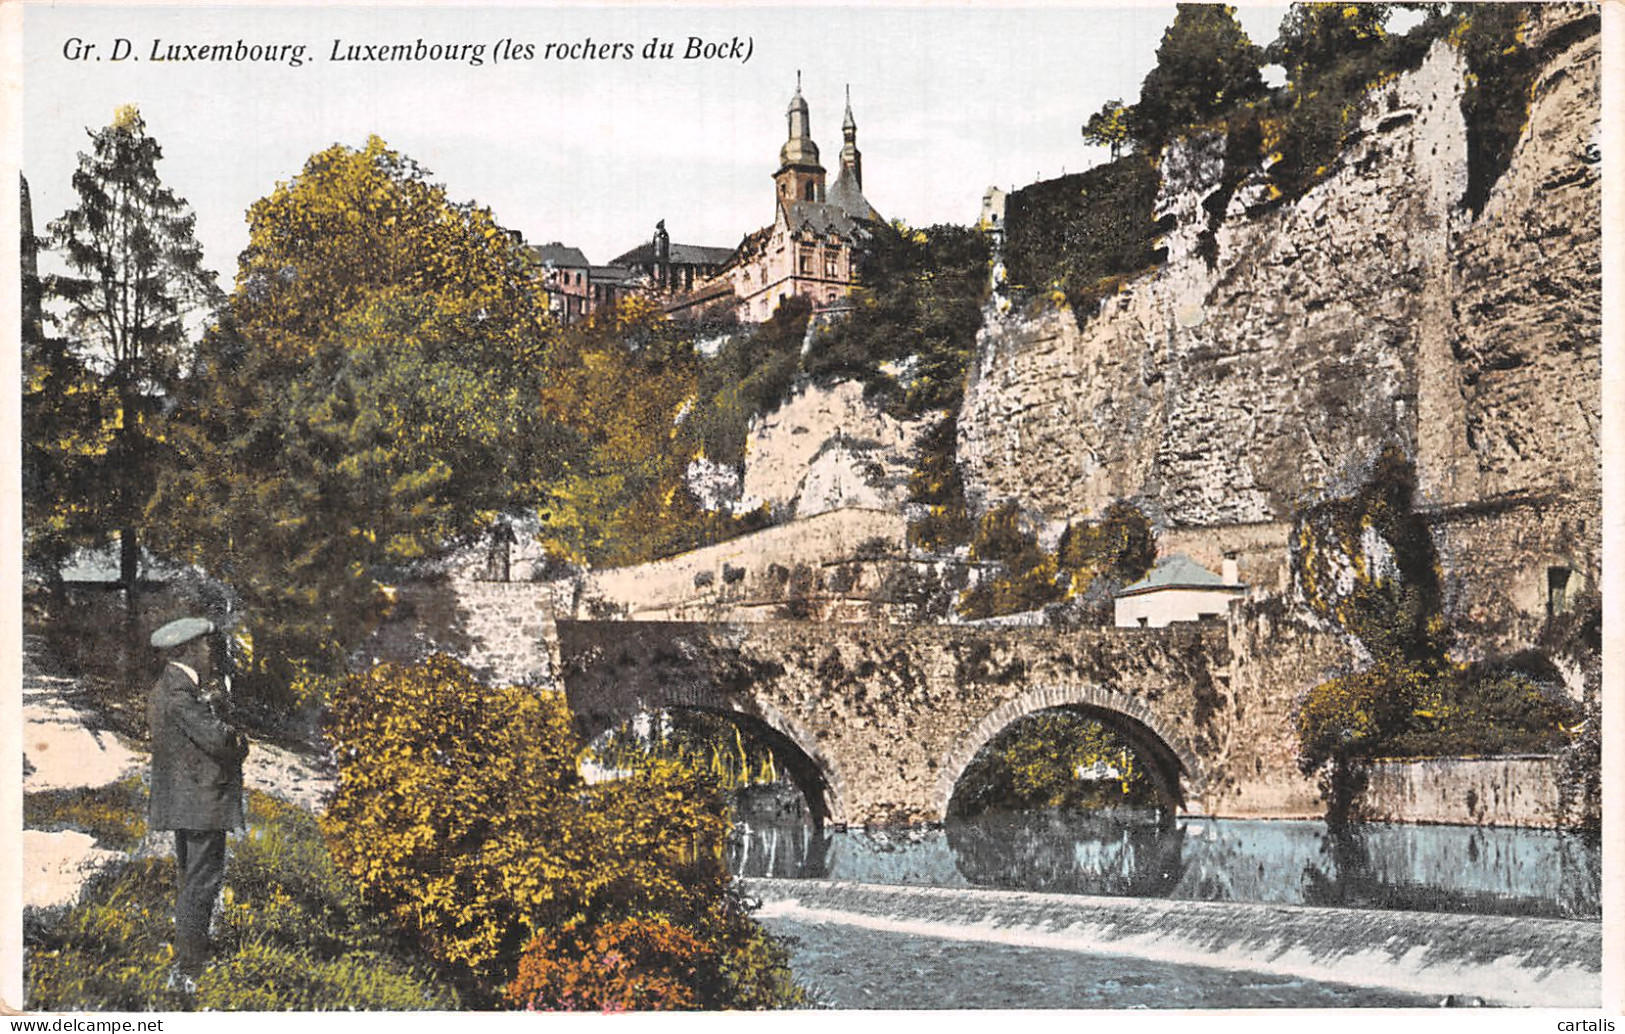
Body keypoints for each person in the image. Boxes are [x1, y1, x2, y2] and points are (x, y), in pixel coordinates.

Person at [147, 616, 249, 993]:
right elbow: (222, 744)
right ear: (187, 649)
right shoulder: (180, 695)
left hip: (189, 802)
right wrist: (237, 736)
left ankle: (189, 952)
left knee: (192, 881)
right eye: (205, 646)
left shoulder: (174, 690)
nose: (210, 651)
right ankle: (189, 967)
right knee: (201, 883)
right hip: (201, 803)